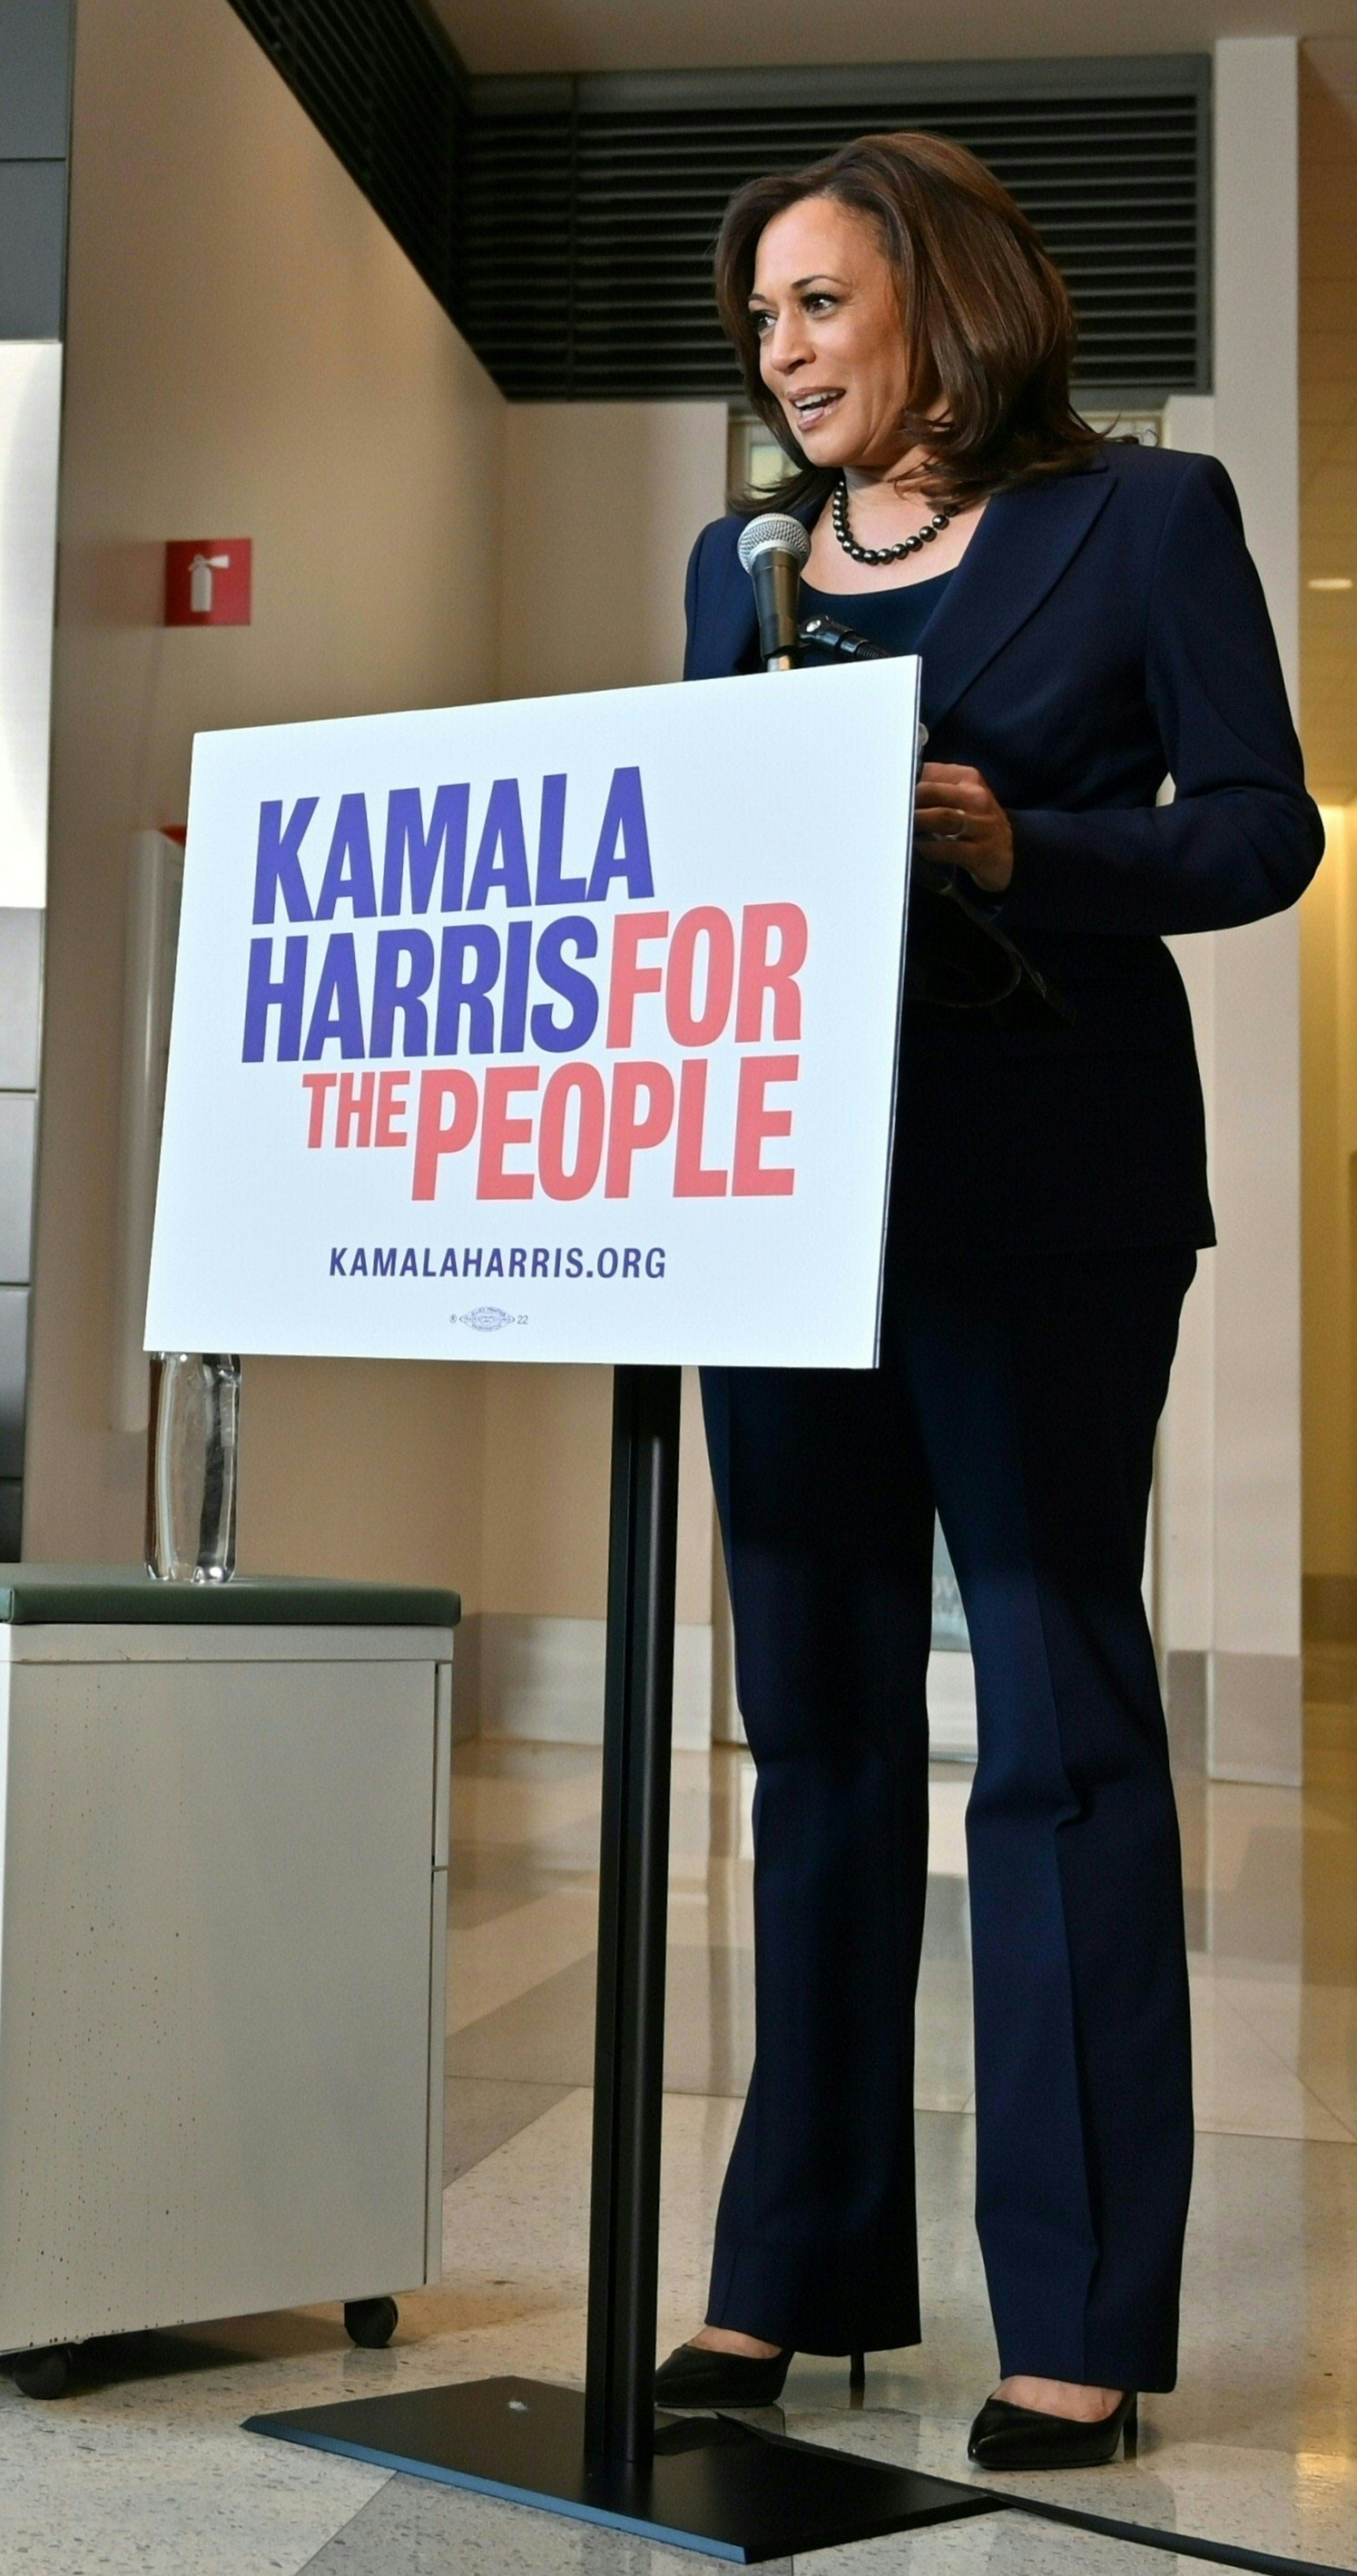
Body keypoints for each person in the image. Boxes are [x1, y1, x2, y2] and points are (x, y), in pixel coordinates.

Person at [658, 136, 1321, 2470]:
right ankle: (798, 2267)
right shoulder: (739, 567)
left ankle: (1080, 2317)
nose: (786, 353)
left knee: (1049, 1732)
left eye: (820, 304)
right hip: (779, 1209)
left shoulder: (1149, 519)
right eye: (761, 323)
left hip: (1044, 1196)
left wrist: (1027, 842)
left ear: (944, 297)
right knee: (815, 1732)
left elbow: (1263, 829)